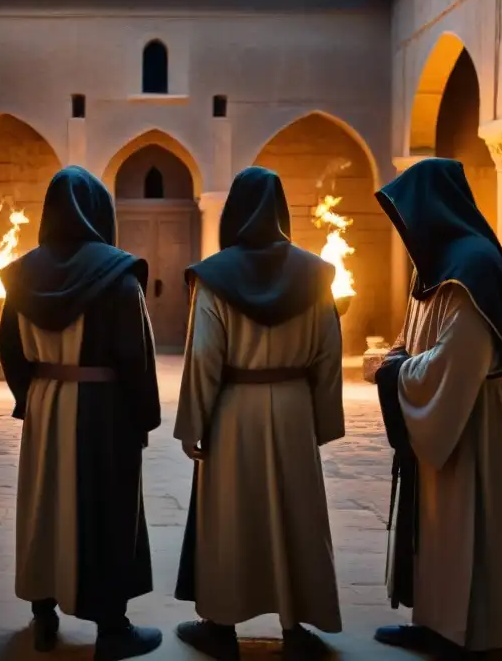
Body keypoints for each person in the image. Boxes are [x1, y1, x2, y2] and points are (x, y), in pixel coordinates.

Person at [373, 158, 502, 655]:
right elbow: (415, 339)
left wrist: (393, 372)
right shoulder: (438, 262)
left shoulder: (472, 264)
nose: (404, 227)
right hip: (447, 405)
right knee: (440, 522)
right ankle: (436, 621)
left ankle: (465, 629)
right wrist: (397, 357)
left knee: (465, 519)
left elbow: (460, 358)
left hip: (469, 416)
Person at [172, 166, 345, 661]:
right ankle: (295, 627)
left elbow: (204, 355)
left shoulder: (214, 276)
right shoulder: (316, 275)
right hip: (292, 407)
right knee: (296, 514)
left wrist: (194, 424)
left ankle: (221, 627)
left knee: (230, 515)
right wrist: (322, 419)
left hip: (233, 411)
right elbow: (330, 353)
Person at [0, 166, 162, 659]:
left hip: (48, 401)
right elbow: (136, 355)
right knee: (106, 508)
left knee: (45, 503)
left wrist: (32, 396)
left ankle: (43, 614)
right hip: (104, 409)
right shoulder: (118, 276)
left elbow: (11, 350)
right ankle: (111, 628)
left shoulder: (21, 275)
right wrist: (142, 417)